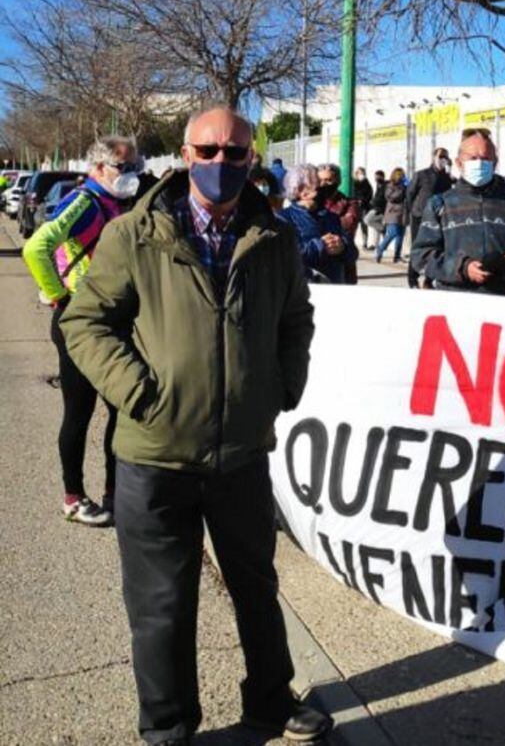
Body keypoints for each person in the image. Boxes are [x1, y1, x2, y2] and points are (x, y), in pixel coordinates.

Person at [59, 106, 330, 744]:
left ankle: (270, 702)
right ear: (184, 154)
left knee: (257, 589)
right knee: (162, 610)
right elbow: (84, 323)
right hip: (154, 459)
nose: (219, 164)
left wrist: (282, 388)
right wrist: (137, 392)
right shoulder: (135, 234)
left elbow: (297, 320)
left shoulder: (275, 237)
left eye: (235, 153)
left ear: (252, 159)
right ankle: (169, 729)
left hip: (240, 455)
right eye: (207, 151)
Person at [22, 138, 139, 526]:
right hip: (79, 322)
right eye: (124, 168)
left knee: (120, 411)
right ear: (99, 168)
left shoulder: (114, 203)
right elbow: (36, 246)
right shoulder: (85, 202)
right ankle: (73, 498)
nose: (131, 175)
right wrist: (60, 298)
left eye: (134, 167)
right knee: (80, 412)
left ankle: (113, 494)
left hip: (110, 321)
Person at [411, 127, 505, 297]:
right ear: (459, 163)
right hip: (458, 303)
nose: (479, 163)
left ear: (495, 162)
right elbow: (421, 256)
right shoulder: (440, 205)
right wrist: (462, 268)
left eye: (485, 158)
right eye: (473, 158)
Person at [277, 163, 358, 283]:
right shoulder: (283, 218)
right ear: (301, 191)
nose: (323, 186)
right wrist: (320, 246)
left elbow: (353, 252)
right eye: (317, 183)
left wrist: (343, 247)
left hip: (335, 289)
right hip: (304, 290)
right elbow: (284, 256)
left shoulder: (331, 217)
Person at [406, 148, 453, 286]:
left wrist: (450, 170)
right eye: (440, 156)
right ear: (434, 157)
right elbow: (410, 193)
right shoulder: (422, 174)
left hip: (439, 217)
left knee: (437, 248)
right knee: (418, 247)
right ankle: (412, 278)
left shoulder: (446, 177)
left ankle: (429, 279)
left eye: (445, 157)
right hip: (419, 216)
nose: (443, 159)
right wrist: (412, 211)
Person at [318, 164, 361, 283]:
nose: (323, 184)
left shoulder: (349, 204)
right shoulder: (313, 202)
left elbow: (347, 225)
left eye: (328, 180)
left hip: (341, 264)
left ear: (337, 181)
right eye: (320, 180)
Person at [376, 167, 408, 263]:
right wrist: (402, 189)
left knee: (400, 236)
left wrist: (409, 187)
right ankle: (380, 249)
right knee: (392, 233)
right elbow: (391, 197)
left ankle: (397, 256)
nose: (402, 177)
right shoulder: (390, 185)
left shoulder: (405, 186)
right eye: (401, 175)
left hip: (403, 213)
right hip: (393, 213)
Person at [353, 167, 375, 249]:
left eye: (362, 173)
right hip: (355, 206)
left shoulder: (366, 183)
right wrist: (356, 200)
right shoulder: (353, 183)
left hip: (364, 207)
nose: (361, 175)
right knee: (353, 224)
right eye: (359, 173)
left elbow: (370, 194)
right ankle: (352, 241)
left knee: (364, 225)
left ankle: (365, 243)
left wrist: (363, 200)